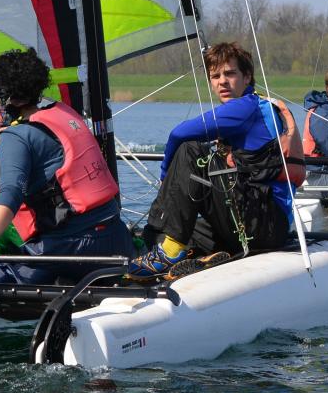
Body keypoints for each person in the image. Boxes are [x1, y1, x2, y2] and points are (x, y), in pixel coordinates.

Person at [127, 42, 304, 280]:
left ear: (247, 77)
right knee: (183, 230)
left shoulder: (245, 107)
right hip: (270, 226)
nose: (222, 82)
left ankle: (168, 253)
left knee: (191, 151)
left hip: (261, 222)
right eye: (215, 76)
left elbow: (178, 134)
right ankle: (198, 257)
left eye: (230, 74)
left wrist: (165, 176)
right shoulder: (263, 105)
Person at [0, 48, 132, 284]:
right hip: (117, 239)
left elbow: (11, 193)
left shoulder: (16, 136)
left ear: (4, 97)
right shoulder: (65, 114)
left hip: (72, 247)